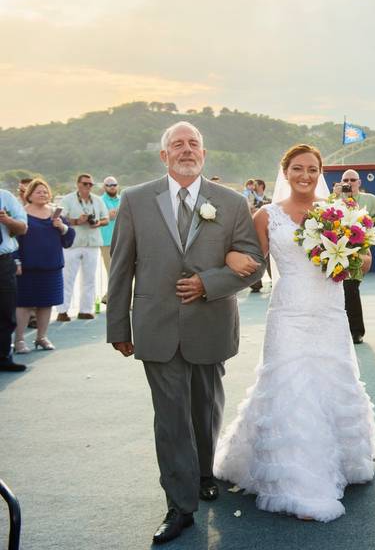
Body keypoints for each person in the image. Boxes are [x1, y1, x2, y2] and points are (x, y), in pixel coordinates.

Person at [106, 121, 267, 544]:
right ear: (164, 156)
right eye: (177, 144)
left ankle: (202, 472)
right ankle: (179, 505)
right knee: (171, 417)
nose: (186, 149)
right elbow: (121, 265)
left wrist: (208, 283)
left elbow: (254, 262)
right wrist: (118, 325)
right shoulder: (136, 199)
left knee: (206, 408)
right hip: (155, 326)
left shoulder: (231, 203)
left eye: (193, 143)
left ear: (204, 153)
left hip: (210, 324)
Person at [215, 144, 375, 522]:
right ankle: (300, 484)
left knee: (332, 380)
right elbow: (253, 264)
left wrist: (358, 254)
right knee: (291, 387)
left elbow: (361, 265)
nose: (305, 175)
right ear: (285, 171)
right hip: (288, 312)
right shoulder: (266, 215)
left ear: (321, 173)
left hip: (330, 310)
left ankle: (344, 462)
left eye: (312, 169)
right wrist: (228, 258)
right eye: (298, 169)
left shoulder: (338, 212)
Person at [14, 179, 76, 353]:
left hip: (52, 267)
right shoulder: (21, 214)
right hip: (27, 268)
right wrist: (16, 261)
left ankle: (41, 337)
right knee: (24, 305)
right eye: (38, 191)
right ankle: (19, 340)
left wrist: (62, 227)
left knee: (46, 304)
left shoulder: (56, 214)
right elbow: (14, 240)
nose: (42, 194)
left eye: (45, 191)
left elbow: (69, 239)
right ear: (29, 195)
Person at [336, 169, 375, 344]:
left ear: (359, 182)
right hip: (335, 250)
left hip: (360, 253)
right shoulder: (334, 199)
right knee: (337, 291)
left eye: (352, 180)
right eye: (345, 180)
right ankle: (338, 329)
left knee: (351, 287)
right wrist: (335, 197)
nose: (349, 183)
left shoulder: (371, 200)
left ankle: (356, 331)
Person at [57, 173, 108, 321]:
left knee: (90, 278)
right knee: (67, 278)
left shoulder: (97, 201)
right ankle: (62, 310)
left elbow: (105, 218)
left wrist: (97, 223)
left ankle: (85, 309)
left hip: (92, 242)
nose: (88, 187)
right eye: (85, 184)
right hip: (72, 243)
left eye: (90, 184)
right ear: (78, 184)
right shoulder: (67, 200)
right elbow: (60, 218)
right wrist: (76, 221)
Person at [0, 186, 28, 372]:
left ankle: (3, 357)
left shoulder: (5, 197)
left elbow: (23, 227)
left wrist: (7, 220)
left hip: (3, 262)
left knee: (6, 310)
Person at [99, 176, 121, 303]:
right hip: (106, 240)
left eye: (114, 184)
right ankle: (113, 298)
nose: (112, 187)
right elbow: (96, 218)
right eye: (109, 185)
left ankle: (108, 296)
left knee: (120, 270)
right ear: (104, 187)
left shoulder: (123, 199)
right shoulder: (100, 201)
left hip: (122, 239)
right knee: (111, 270)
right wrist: (108, 215)